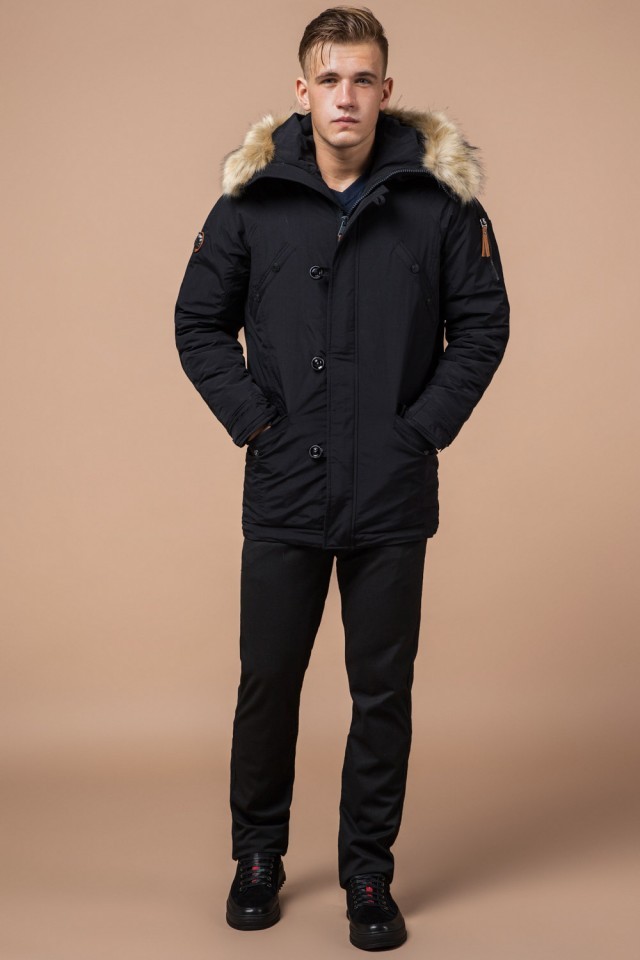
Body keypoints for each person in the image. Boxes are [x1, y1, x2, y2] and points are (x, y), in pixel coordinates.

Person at [174, 5, 510, 951]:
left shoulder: (439, 205)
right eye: (330, 79)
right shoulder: (252, 202)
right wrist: (257, 423)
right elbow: (197, 322)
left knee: (382, 692)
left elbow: (483, 325)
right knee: (267, 682)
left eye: (363, 79)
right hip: (285, 486)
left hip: (391, 493)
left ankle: (369, 871)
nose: (346, 96)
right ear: (302, 90)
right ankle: (257, 856)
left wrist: (421, 432)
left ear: (386, 91)